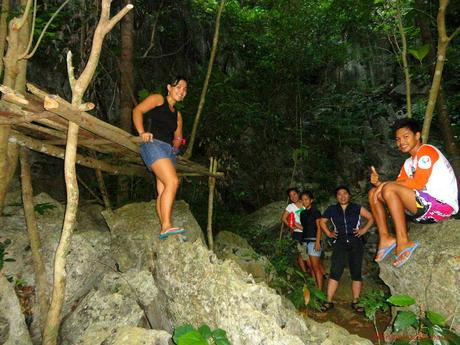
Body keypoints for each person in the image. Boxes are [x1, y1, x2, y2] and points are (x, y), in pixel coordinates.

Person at [369, 118, 458, 268]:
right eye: (398, 139)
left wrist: (385, 185)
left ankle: (403, 241)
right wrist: (379, 185)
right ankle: (385, 238)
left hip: (442, 207)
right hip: (422, 207)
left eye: (405, 136)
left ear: (417, 136)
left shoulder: (426, 152)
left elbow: (417, 184)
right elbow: (397, 189)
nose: (401, 142)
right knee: (374, 193)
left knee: (388, 188)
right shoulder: (408, 163)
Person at [132, 76, 188, 240]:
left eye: (185, 90)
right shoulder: (158, 99)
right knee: (173, 182)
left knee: (163, 189)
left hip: (168, 151)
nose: (182, 91)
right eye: (179, 87)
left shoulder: (177, 115)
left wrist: (178, 146)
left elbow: (178, 137)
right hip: (153, 144)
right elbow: (137, 110)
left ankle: (166, 224)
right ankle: (166, 227)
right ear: (169, 87)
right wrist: (142, 132)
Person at [320, 186, 374, 312]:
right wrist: (329, 233)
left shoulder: (356, 207)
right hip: (340, 242)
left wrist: (364, 230)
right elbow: (322, 222)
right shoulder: (332, 209)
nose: (342, 196)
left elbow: (372, 217)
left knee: (356, 272)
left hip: (356, 242)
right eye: (339, 194)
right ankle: (328, 301)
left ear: (349, 195)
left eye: (345, 194)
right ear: (336, 197)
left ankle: (356, 302)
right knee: (335, 271)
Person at [299, 191, 325, 289]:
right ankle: (315, 287)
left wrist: (318, 242)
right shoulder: (302, 213)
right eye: (303, 200)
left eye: (306, 199)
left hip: (314, 241)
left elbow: (319, 227)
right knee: (310, 266)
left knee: (316, 267)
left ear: (311, 200)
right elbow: (305, 228)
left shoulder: (316, 212)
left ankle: (320, 291)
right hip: (305, 242)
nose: (304, 201)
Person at [281, 188, 311, 274]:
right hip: (298, 233)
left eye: (294, 194)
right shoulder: (290, 206)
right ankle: (305, 273)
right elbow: (283, 218)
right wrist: (292, 226)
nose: (293, 197)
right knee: (301, 254)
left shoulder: (305, 202)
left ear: (298, 194)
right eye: (290, 196)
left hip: (308, 231)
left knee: (308, 253)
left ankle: (311, 271)